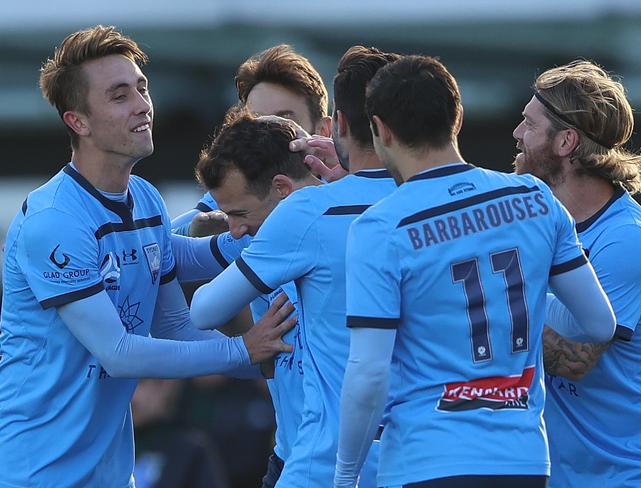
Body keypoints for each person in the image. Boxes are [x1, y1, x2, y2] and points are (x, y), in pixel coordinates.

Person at [0, 25, 294, 487]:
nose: (142, 104)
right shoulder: (53, 221)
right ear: (78, 121)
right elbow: (119, 353)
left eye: (142, 87)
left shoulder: (145, 197)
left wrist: (265, 228)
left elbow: (175, 324)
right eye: (119, 95)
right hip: (36, 474)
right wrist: (243, 349)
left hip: (113, 474)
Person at [334, 55, 616, 488]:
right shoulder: (534, 196)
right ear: (458, 117)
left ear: (381, 129)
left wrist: (345, 474)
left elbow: (369, 371)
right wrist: (527, 300)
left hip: (426, 460)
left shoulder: (379, 227)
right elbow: (598, 324)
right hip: (523, 461)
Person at [190, 46, 400, 488]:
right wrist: (247, 343)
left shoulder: (303, 209)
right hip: (299, 449)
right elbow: (159, 246)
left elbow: (202, 310)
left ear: (330, 128)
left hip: (335, 461)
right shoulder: (235, 205)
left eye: (282, 123)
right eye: (252, 125)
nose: (265, 139)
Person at [513, 60, 641, 487]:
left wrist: (479, 308)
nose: (517, 134)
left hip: (619, 476)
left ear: (566, 141)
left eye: (529, 125)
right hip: (559, 474)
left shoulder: (627, 239)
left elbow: (574, 359)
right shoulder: (535, 213)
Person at [172, 44, 331, 236]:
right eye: (256, 122)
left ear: (323, 131)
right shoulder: (234, 189)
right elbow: (163, 239)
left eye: (285, 123)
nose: (266, 136)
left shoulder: (352, 190)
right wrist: (192, 233)